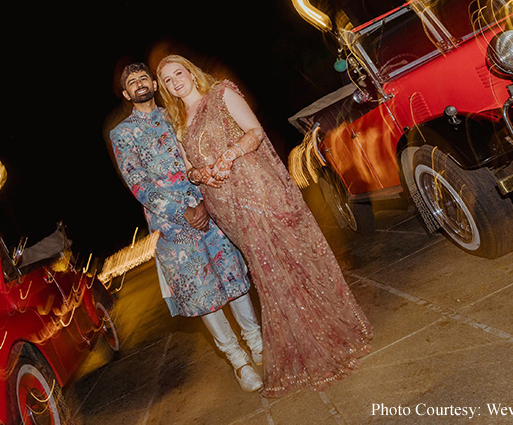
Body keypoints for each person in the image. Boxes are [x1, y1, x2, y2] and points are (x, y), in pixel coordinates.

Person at [156, 54, 373, 398]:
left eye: (177, 73)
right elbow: (188, 168)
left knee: (288, 260)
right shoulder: (178, 121)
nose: (174, 82)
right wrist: (202, 173)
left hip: (257, 190)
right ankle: (301, 345)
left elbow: (253, 132)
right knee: (266, 272)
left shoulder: (221, 93)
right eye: (166, 80)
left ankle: (328, 335)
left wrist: (228, 156)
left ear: (190, 72)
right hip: (224, 206)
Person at [109, 62, 265, 392]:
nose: (139, 84)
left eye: (143, 78)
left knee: (233, 278)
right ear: (126, 94)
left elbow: (200, 152)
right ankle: (238, 360)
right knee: (203, 295)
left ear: (153, 83)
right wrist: (183, 212)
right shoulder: (122, 134)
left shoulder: (176, 114)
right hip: (173, 228)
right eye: (131, 82)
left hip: (209, 206)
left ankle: (257, 343)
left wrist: (206, 201)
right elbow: (138, 183)